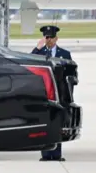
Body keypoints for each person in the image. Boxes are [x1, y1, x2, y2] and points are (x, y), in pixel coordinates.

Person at [31, 25, 72, 161]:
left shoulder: (64, 53)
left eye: (51, 37)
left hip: (59, 94)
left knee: (58, 123)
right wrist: (38, 48)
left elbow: (70, 74)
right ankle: (45, 153)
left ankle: (57, 153)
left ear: (56, 38)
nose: (49, 40)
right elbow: (30, 63)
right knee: (44, 122)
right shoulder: (39, 53)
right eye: (46, 37)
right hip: (44, 93)